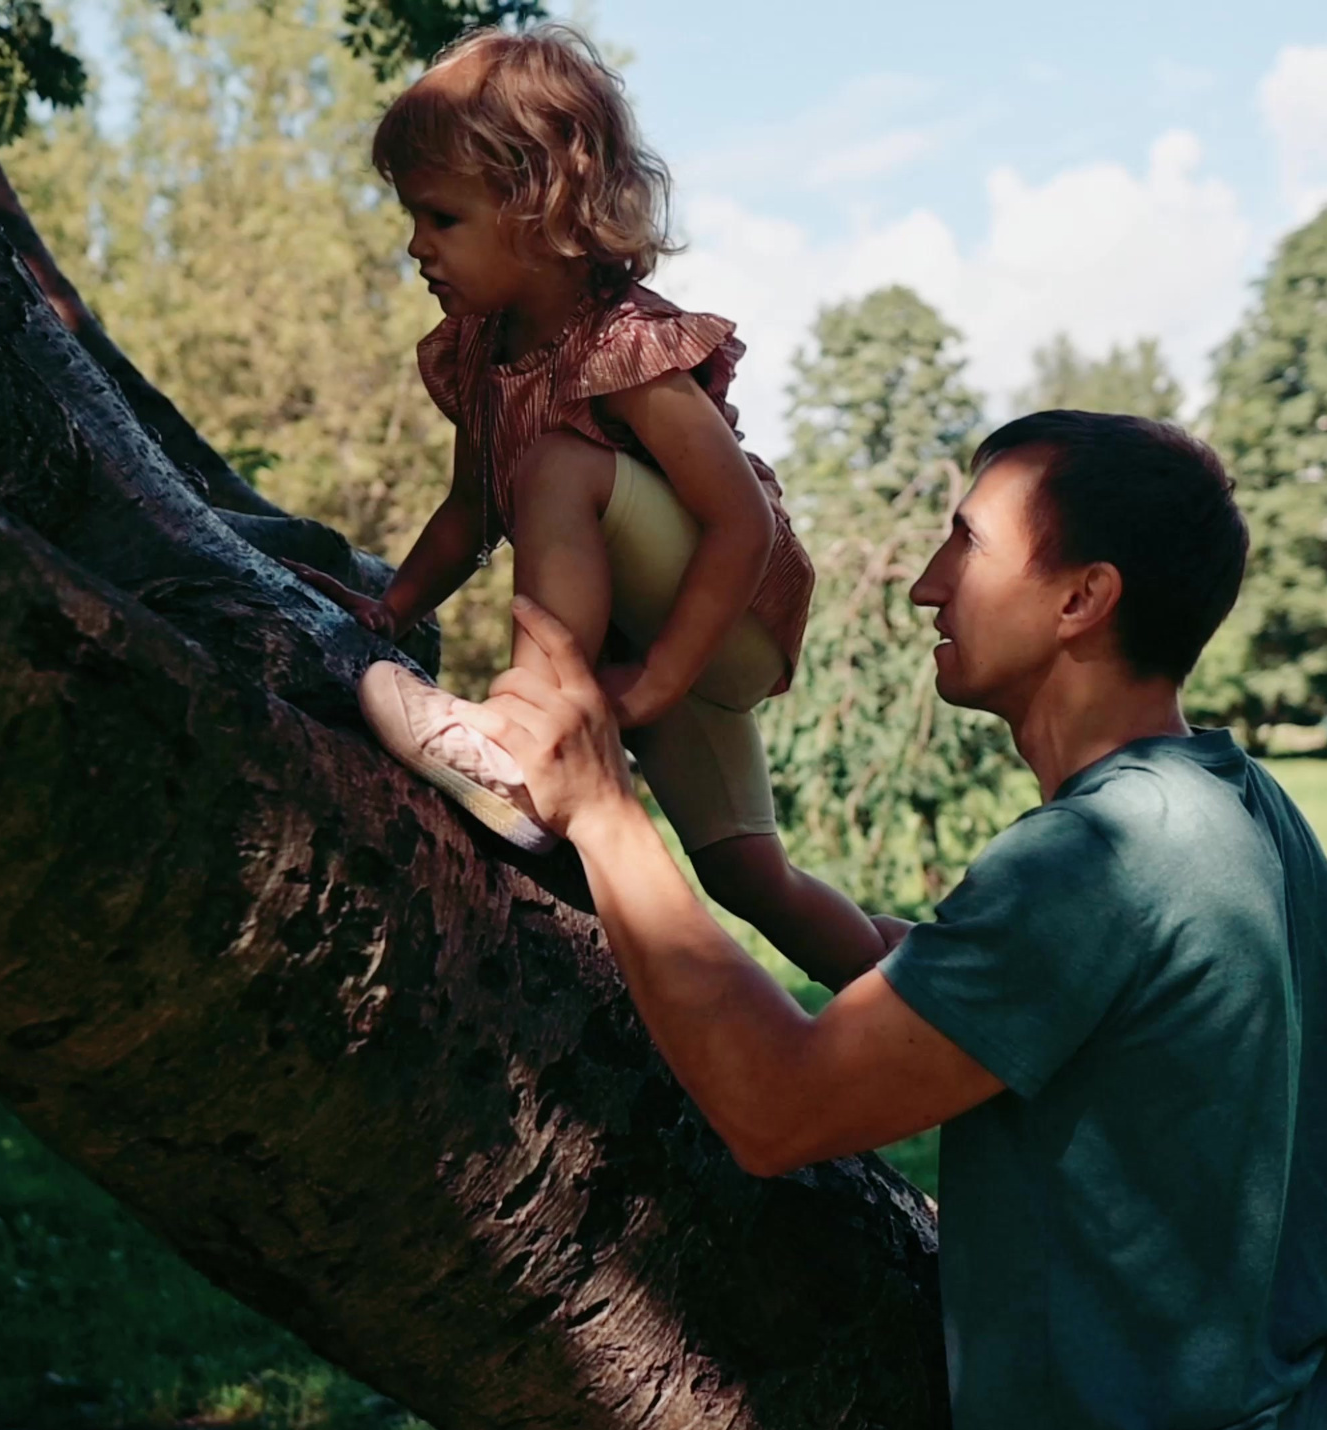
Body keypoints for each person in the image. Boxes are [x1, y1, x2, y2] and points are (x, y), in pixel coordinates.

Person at [459, 411, 1327, 1430]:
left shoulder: (1094, 862)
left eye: (968, 543)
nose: (926, 584)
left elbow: (780, 1111)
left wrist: (604, 814)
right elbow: (981, 996)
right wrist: (758, 882)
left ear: (1082, 598)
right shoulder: (1236, 808)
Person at [292, 24, 886, 987]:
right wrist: (390, 609)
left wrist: (653, 684)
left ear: (535, 206)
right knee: (748, 874)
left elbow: (745, 524)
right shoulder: (483, 352)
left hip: (721, 615)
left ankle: (532, 741)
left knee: (560, 466)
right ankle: (924, 987)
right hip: (640, 638)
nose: (415, 246)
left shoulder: (623, 346)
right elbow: (471, 507)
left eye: (441, 218)